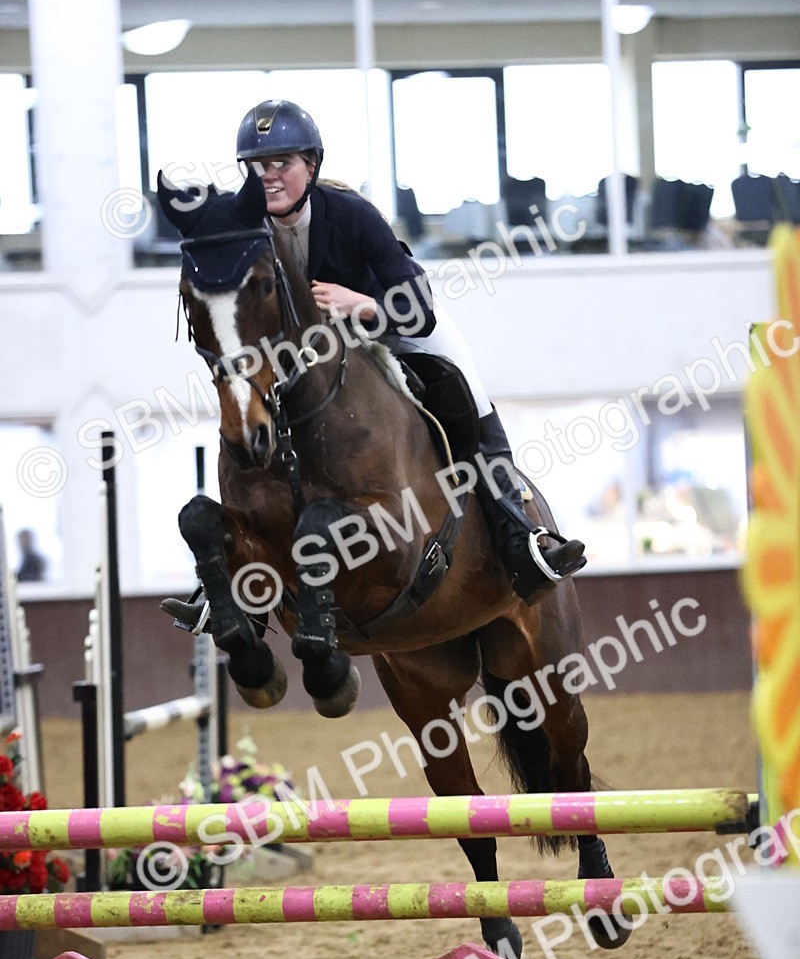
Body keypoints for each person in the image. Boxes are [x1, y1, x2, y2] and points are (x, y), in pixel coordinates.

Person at [172, 100, 584, 629]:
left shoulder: (350, 213)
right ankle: (227, 584)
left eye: (282, 163)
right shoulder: (242, 224)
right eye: (257, 165)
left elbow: (419, 306)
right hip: (301, 359)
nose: (269, 175)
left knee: (464, 388)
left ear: (311, 166)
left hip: (391, 325)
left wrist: (362, 305)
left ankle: (517, 537)